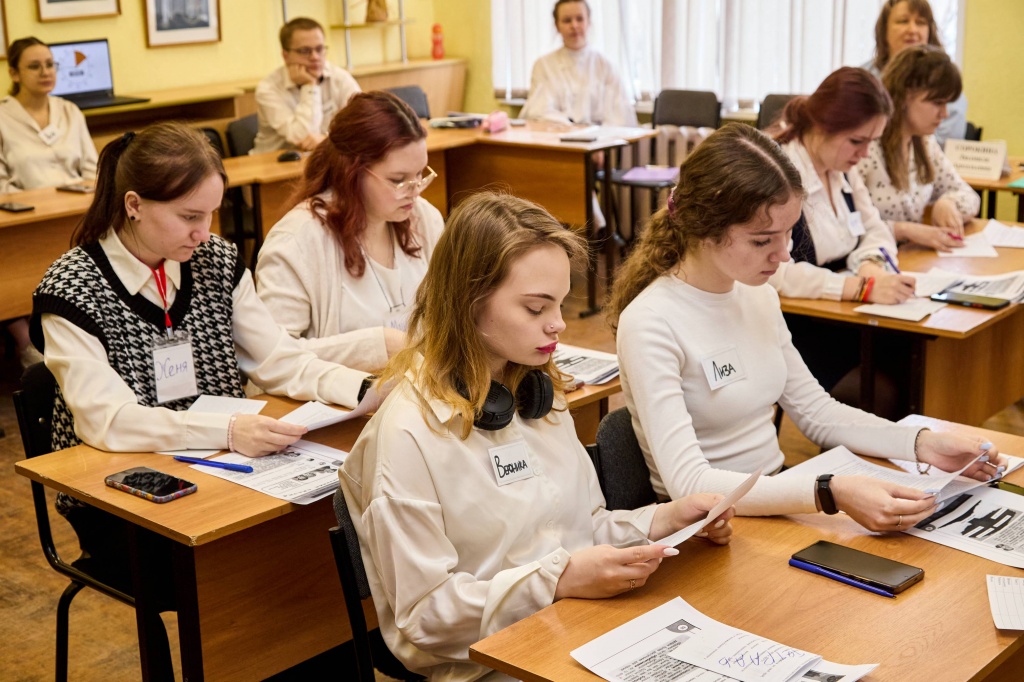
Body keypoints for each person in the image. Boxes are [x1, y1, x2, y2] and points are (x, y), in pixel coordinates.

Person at [341, 191, 734, 680]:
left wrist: (663, 521)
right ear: (468, 302)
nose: (559, 324)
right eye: (535, 308)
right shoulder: (407, 434)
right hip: (488, 666)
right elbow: (424, 618)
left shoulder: (535, 393)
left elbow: (581, 531)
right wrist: (556, 582)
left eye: (561, 303)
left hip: (574, 626)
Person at [607, 123, 1003, 535]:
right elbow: (689, 483)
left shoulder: (757, 295)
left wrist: (921, 442)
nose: (784, 255)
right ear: (704, 229)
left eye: (790, 233)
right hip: (707, 530)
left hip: (773, 504)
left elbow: (817, 412)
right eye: (763, 241)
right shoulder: (651, 321)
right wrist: (828, 492)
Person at [30, 122, 370, 586]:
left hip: (225, 465)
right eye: (189, 216)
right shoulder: (73, 288)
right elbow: (107, 421)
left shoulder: (216, 261)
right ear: (134, 205)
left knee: (320, 525)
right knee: (267, 559)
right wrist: (227, 430)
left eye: (211, 214)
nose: (204, 233)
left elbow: (278, 359)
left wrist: (363, 387)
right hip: (120, 493)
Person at [255, 91, 444, 372]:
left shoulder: (423, 218)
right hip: (342, 397)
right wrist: (375, 346)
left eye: (420, 175)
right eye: (399, 180)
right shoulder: (297, 241)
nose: (415, 191)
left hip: (418, 388)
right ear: (352, 172)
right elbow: (270, 357)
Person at [769, 67, 919, 409]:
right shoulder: (778, 171)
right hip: (791, 325)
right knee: (884, 392)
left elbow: (876, 229)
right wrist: (860, 288)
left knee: (916, 361)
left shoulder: (843, 169)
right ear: (823, 125)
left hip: (842, 315)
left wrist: (871, 266)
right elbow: (775, 273)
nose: (864, 154)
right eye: (857, 141)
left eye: (871, 142)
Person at [0, 37, 98, 366]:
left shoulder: (69, 110)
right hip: (23, 217)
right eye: (34, 66)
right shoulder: (3, 116)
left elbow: (91, 168)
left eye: (50, 64)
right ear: (14, 73)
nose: (45, 72)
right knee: (14, 273)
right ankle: (24, 339)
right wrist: (35, 202)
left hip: (74, 212)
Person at [856, 44, 980, 244]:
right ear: (904, 96)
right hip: (873, 257)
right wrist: (903, 231)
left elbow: (969, 196)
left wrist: (948, 203)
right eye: (937, 103)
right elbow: (846, 228)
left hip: (909, 256)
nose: (944, 114)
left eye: (947, 103)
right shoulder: (866, 147)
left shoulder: (925, 142)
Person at [864, 0, 967, 146]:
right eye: (903, 21)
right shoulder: (864, 78)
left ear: (930, 31)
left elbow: (948, 143)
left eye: (920, 23)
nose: (912, 30)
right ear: (884, 30)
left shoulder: (946, 82)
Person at [252, 17, 361, 154]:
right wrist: (310, 86)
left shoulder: (340, 78)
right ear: (285, 56)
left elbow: (362, 124)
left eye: (319, 49)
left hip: (325, 157)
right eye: (305, 51)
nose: (315, 57)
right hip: (273, 162)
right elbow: (303, 137)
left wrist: (326, 139)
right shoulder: (268, 89)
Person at [519, 0, 638, 127]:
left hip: (600, 138)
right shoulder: (543, 65)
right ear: (557, 25)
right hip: (555, 136)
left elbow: (619, 118)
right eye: (567, 20)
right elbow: (539, 112)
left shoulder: (605, 66)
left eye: (579, 19)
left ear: (589, 21)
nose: (574, 25)